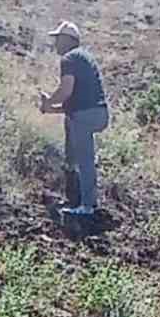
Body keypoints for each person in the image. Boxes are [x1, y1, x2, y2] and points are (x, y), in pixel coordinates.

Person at [39, 21, 109, 219]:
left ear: (67, 40)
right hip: (96, 113)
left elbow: (66, 91)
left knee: (85, 160)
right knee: (72, 135)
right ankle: (75, 195)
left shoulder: (69, 59)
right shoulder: (84, 57)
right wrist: (50, 108)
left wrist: (49, 101)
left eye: (58, 39)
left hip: (86, 115)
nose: (55, 44)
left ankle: (87, 206)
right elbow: (73, 104)